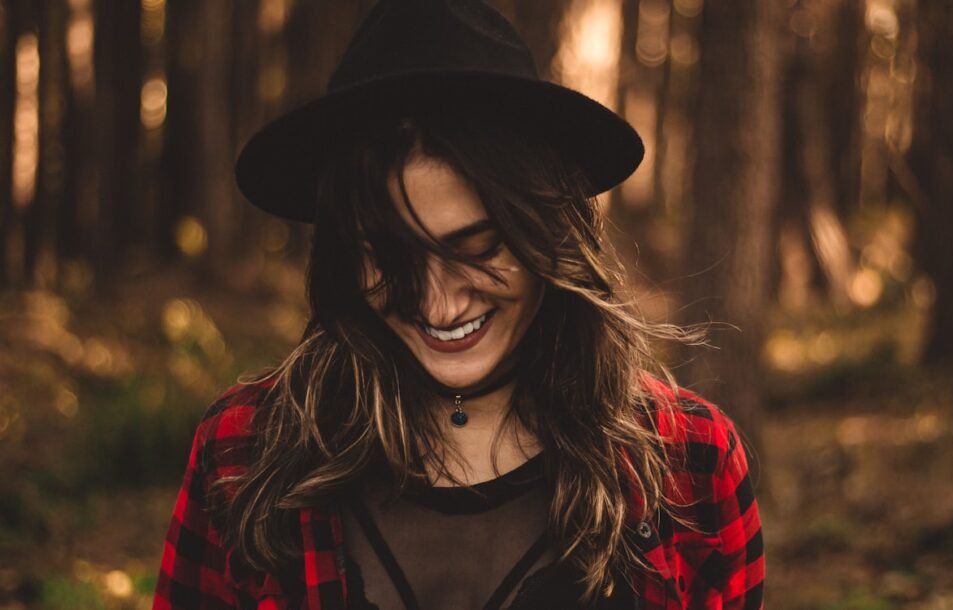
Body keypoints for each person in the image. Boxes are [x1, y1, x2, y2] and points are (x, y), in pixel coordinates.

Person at [153, 1, 764, 609]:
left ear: (545, 234)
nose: (438, 304)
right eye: (388, 258)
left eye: (476, 248)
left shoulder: (692, 460)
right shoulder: (246, 450)